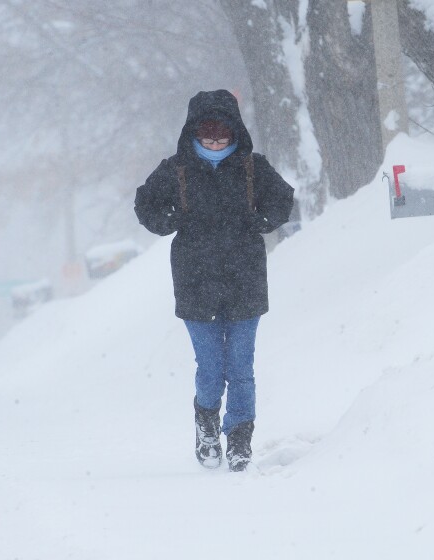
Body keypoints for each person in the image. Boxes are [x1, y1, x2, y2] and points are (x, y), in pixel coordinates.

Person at [134, 90, 294, 472]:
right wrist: (165, 221)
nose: (215, 140)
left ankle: (239, 437)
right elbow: (145, 204)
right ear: (193, 131)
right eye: (207, 132)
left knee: (241, 366)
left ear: (236, 131)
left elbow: (282, 199)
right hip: (195, 282)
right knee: (210, 367)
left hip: (245, 280)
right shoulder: (175, 171)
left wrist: (265, 220)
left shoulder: (253, 168)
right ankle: (206, 424)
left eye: (222, 133)